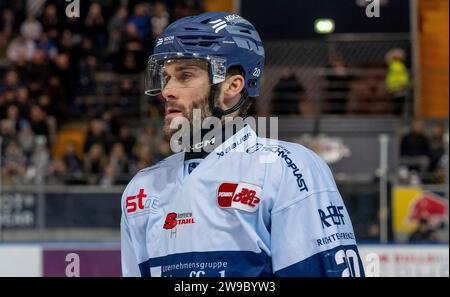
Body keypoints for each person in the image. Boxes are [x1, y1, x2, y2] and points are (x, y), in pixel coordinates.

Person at [121, 12, 364, 277]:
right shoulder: (141, 191)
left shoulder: (286, 169)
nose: (167, 90)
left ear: (232, 85)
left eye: (185, 75)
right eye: (166, 77)